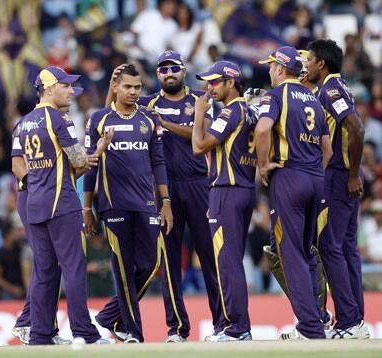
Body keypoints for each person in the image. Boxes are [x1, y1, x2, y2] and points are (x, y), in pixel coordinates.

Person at [102, 51, 222, 342]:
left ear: (183, 71)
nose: (169, 73)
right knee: (169, 262)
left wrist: (163, 124)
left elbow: (200, 136)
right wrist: (112, 84)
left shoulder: (199, 100)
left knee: (210, 256)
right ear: (157, 75)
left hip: (198, 184)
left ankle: (223, 325)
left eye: (174, 68)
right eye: (163, 69)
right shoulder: (147, 102)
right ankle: (177, 329)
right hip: (162, 191)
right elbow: (107, 118)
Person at [17, 66, 109, 345]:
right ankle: (84, 332)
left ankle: (41, 334)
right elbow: (79, 162)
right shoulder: (58, 119)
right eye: (65, 86)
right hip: (62, 203)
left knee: (44, 271)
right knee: (73, 268)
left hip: (34, 203)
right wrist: (93, 151)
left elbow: (26, 167)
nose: (71, 91)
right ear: (49, 88)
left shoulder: (23, 123)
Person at [84, 64, 173, 343]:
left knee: (150, 262)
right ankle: (132, 332)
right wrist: (87, 208)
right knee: (123, 267)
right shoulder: (99, 119)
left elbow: (158, 162)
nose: (134, 92)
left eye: (137, 88)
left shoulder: (148, 120)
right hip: (114, 205)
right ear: (115, 87)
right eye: (128, 87)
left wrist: (166, 200)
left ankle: (109, 316)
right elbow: (90, 167)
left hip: (146, 203)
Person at [255, 45, 331, 340]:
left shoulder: (274, 96)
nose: (270, 70)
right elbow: (327, 150)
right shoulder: (313, 99)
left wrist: (263, 166)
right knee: (309, 252)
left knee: (291, 254)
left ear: (279, 68)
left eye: (272, 66)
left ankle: (310, 327)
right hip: (315, 177)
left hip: (289, 176)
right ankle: (317, 319)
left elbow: (262, 131)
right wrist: (312, 172)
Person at [306, 39, 370, 339]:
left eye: (309, 59)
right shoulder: (337, 87)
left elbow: (356, 128)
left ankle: (347, 321)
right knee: (346, 248)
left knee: (330, 247)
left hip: (338, 176)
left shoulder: (331, 90)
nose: (305, 64)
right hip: (344, 175)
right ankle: (355, 319)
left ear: (321, 63)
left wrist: (353, 173)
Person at [192, 60, 257, 342]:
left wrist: (198, 115)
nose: (209, 88)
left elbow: (198, 146)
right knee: (233, 261)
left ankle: (236, 328)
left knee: (226, 262)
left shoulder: (230, 111)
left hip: (227, 190)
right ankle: (239, 326)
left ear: (231, 82)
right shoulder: (250, 111)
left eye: (215, 82)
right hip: (244, 189)